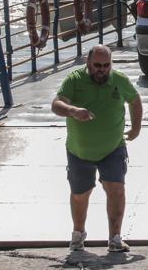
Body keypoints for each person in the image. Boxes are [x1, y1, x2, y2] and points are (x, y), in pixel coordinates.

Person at [51, 45, 142, 253]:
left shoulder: (119, 80)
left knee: (116, 189)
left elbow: (135, 100)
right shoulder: (74, 80)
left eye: (106, 65)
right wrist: (73, 111)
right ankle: (78, 234)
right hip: (79, 151)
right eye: (97, 65)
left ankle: (115, 238)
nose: (102, 69)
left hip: (113, 147)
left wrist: (136, 128)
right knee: (80, 194)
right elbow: (56, 105)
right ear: (88, 63)